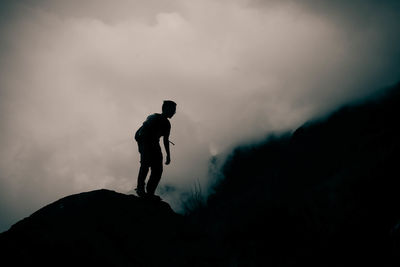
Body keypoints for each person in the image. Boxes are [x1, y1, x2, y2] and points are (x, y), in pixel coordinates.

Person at [134, 100, 177, 199]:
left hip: (153, 142)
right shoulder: (153, 118)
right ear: (166, 109)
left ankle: (150, 192)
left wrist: (168, 156)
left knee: (158, 169)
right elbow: (141, 134)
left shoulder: (167, 124)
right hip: (144, 141)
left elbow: (166, 140)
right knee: (145, 164)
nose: (174, 113)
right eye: (173, 110)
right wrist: (144, 149)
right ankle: (140, 189)